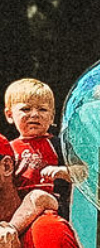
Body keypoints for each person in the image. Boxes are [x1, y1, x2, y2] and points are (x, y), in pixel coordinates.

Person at [4, 77, 71, 233]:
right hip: (18, 205)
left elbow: (84, 173)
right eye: (26, 109)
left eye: (42, 109)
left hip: (52, 202)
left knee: (37, 196)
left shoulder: (58, 145)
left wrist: (63, 171)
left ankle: (10, 231)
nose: (34, 115)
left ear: (52, 117)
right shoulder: (9, 148)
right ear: (9, 115)